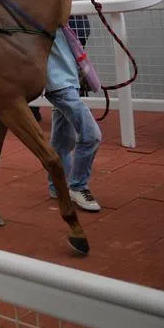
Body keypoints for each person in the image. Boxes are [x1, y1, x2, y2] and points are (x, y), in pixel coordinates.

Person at [44, 29, 103, 212]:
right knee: (91, 135)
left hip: (67, 83)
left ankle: (58, 186)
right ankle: (78, 186)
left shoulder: (60, 23)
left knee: (62, 141)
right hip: (60, 87)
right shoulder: (42, 16)